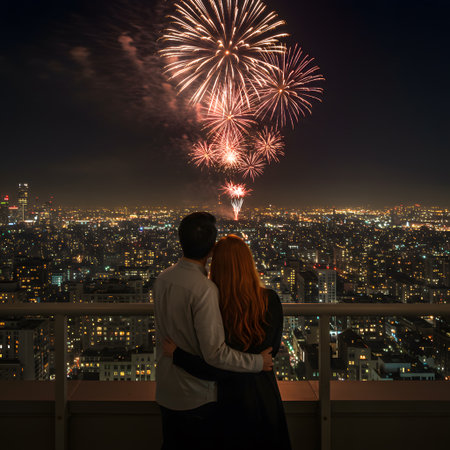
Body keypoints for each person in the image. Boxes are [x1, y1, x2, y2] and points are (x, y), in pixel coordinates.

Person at [153, 213, 273, 450]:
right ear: (210, 250)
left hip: (166, 390)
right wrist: (258, 362)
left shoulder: (163, 279)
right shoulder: (205, 289)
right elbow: (215, 354)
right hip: (197, 396)